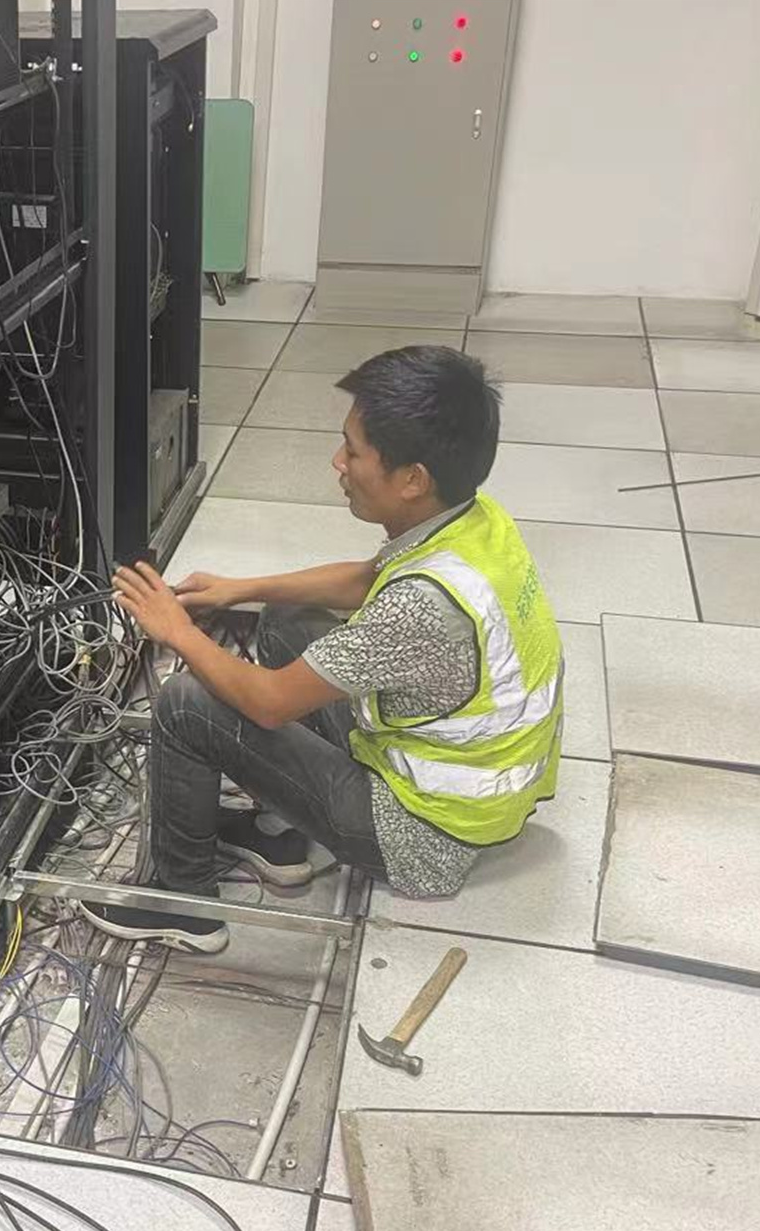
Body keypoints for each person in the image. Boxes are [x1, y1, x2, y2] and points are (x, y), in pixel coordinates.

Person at [85, 345, 563, 953]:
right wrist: (242, 588)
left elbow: (270, 703)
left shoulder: (421, 608)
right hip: (448, 788)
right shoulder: (475, 518)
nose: (338, 462)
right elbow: (368, 580)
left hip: (422, 838)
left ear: (413, 479)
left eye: (354, 452)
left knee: (186, 704)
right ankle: (277, 834)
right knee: (286, 616)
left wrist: (175, 630)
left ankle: (182, 903)